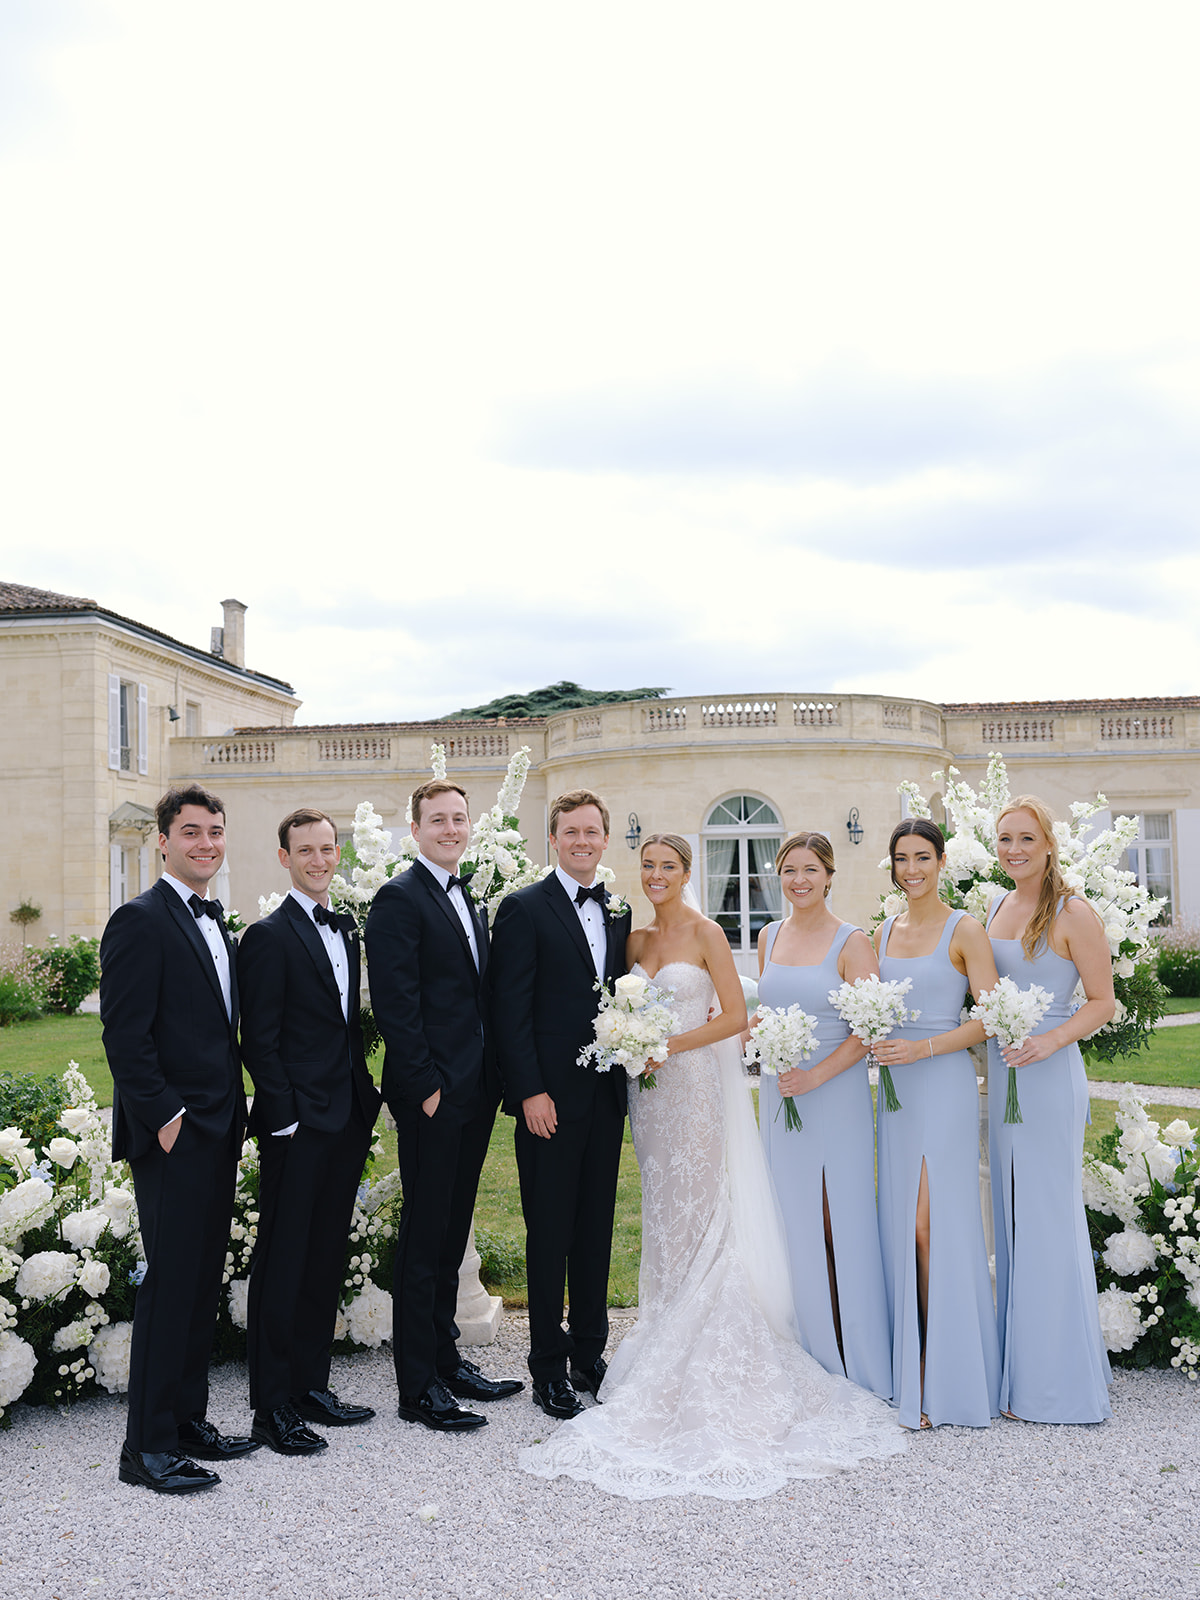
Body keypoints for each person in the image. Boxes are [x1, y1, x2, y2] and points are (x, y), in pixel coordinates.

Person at [520, 834, 904, 1498]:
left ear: (688, 872)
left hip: (693, 1085)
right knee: (664, 1211)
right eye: (648, 866)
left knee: (701, 1207)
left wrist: (668, 1043)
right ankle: (666, 1317)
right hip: (649, 1095)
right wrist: (630, 1041)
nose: (657, 875)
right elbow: (613, 1008)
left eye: (669, 866)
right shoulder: (634, 942)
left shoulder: (706, 934)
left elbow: (734, 1016)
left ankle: (704, 1332)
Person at [101, 785, 257, 1494]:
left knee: (200, 1283)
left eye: (215, 831)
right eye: (191, 831)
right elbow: (125, 1036)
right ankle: (147, 1448)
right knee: (169, 1286)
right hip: (174, 1135)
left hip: (219, 1129)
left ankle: (188, 1421)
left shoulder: (214, 922)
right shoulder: (139, 921)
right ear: (163, 840)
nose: (206, 843)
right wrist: (166, 1119)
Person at [364, 779, 522, 1431]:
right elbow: (397, 1003)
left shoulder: (468, 897)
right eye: (438, 820)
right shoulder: (399, 900)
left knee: (452, 1228)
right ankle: (417, 1386)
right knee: (424, 1239)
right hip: (432, 1095)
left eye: (459, 819)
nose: (451, 829)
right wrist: (425, 1086)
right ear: (415, 829)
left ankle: (448, 1359)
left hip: (474, 1091)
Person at [237, 808, 382, 1454]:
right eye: (307, 851)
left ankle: (311, 1386)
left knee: (325, 1255)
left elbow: (343, 1027)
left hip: (347, 1115)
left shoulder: (346, 928)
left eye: (328, 849)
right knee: (284, 1261)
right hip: (297, 1126)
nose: (321, 860)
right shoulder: (267, 937)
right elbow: (258, 1041)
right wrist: (287, 1117)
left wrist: (363, 1100)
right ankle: (272, 1407)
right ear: (284, 858)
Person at [490, 789, 631, 1420]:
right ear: (554, 839)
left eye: (591, 832)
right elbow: (508, 1010)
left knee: (595, 1229)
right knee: (549, 1233)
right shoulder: (523, 908)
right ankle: (546, 1363)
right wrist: (528, 1091)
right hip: (547, 1100)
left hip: (606, 1097)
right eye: (570, 832)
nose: (581, 841)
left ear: (605, 839)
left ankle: (589, 1351)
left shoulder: (619, 910)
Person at [985, 795, 1115, 1423]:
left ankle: (1057, 1384)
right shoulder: (994, 905)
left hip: (1049, 1075)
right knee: (1010, 1219)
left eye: (1025, 839)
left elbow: (1102, 1001)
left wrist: (1050, 1039)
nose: (1014, 850)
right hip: (1004, 1080)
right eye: (1005, 839)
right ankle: (1019, 1372)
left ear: (1048, 843)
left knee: (1046, 1218)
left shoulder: (1073, 911)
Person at [871, 818, 1002, 1429]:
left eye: (922, 857)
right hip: (895, 1096)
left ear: (942, 861)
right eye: (902, 859)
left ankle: (945, 1372)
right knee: (904, 1225)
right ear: (892, 866)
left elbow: (991, 1019)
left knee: (931, 1225)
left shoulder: (965, 929)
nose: (912, 869)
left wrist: (922, 1050)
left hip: (942, 1084)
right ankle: (911, 1368)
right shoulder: (881, 933)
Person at [755, 832, 892, 1398]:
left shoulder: (852, 941)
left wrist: (814, 1075)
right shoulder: (768, 935)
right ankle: (805, 1353)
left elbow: (869, 1029)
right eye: (789, 870)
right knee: (791, 1222)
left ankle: (854, 1357)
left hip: (833, 1098)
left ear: (830, 875)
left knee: (841, 1219)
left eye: (810, 869)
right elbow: (763, 1011)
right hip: (779, 1095)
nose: (799, 880)